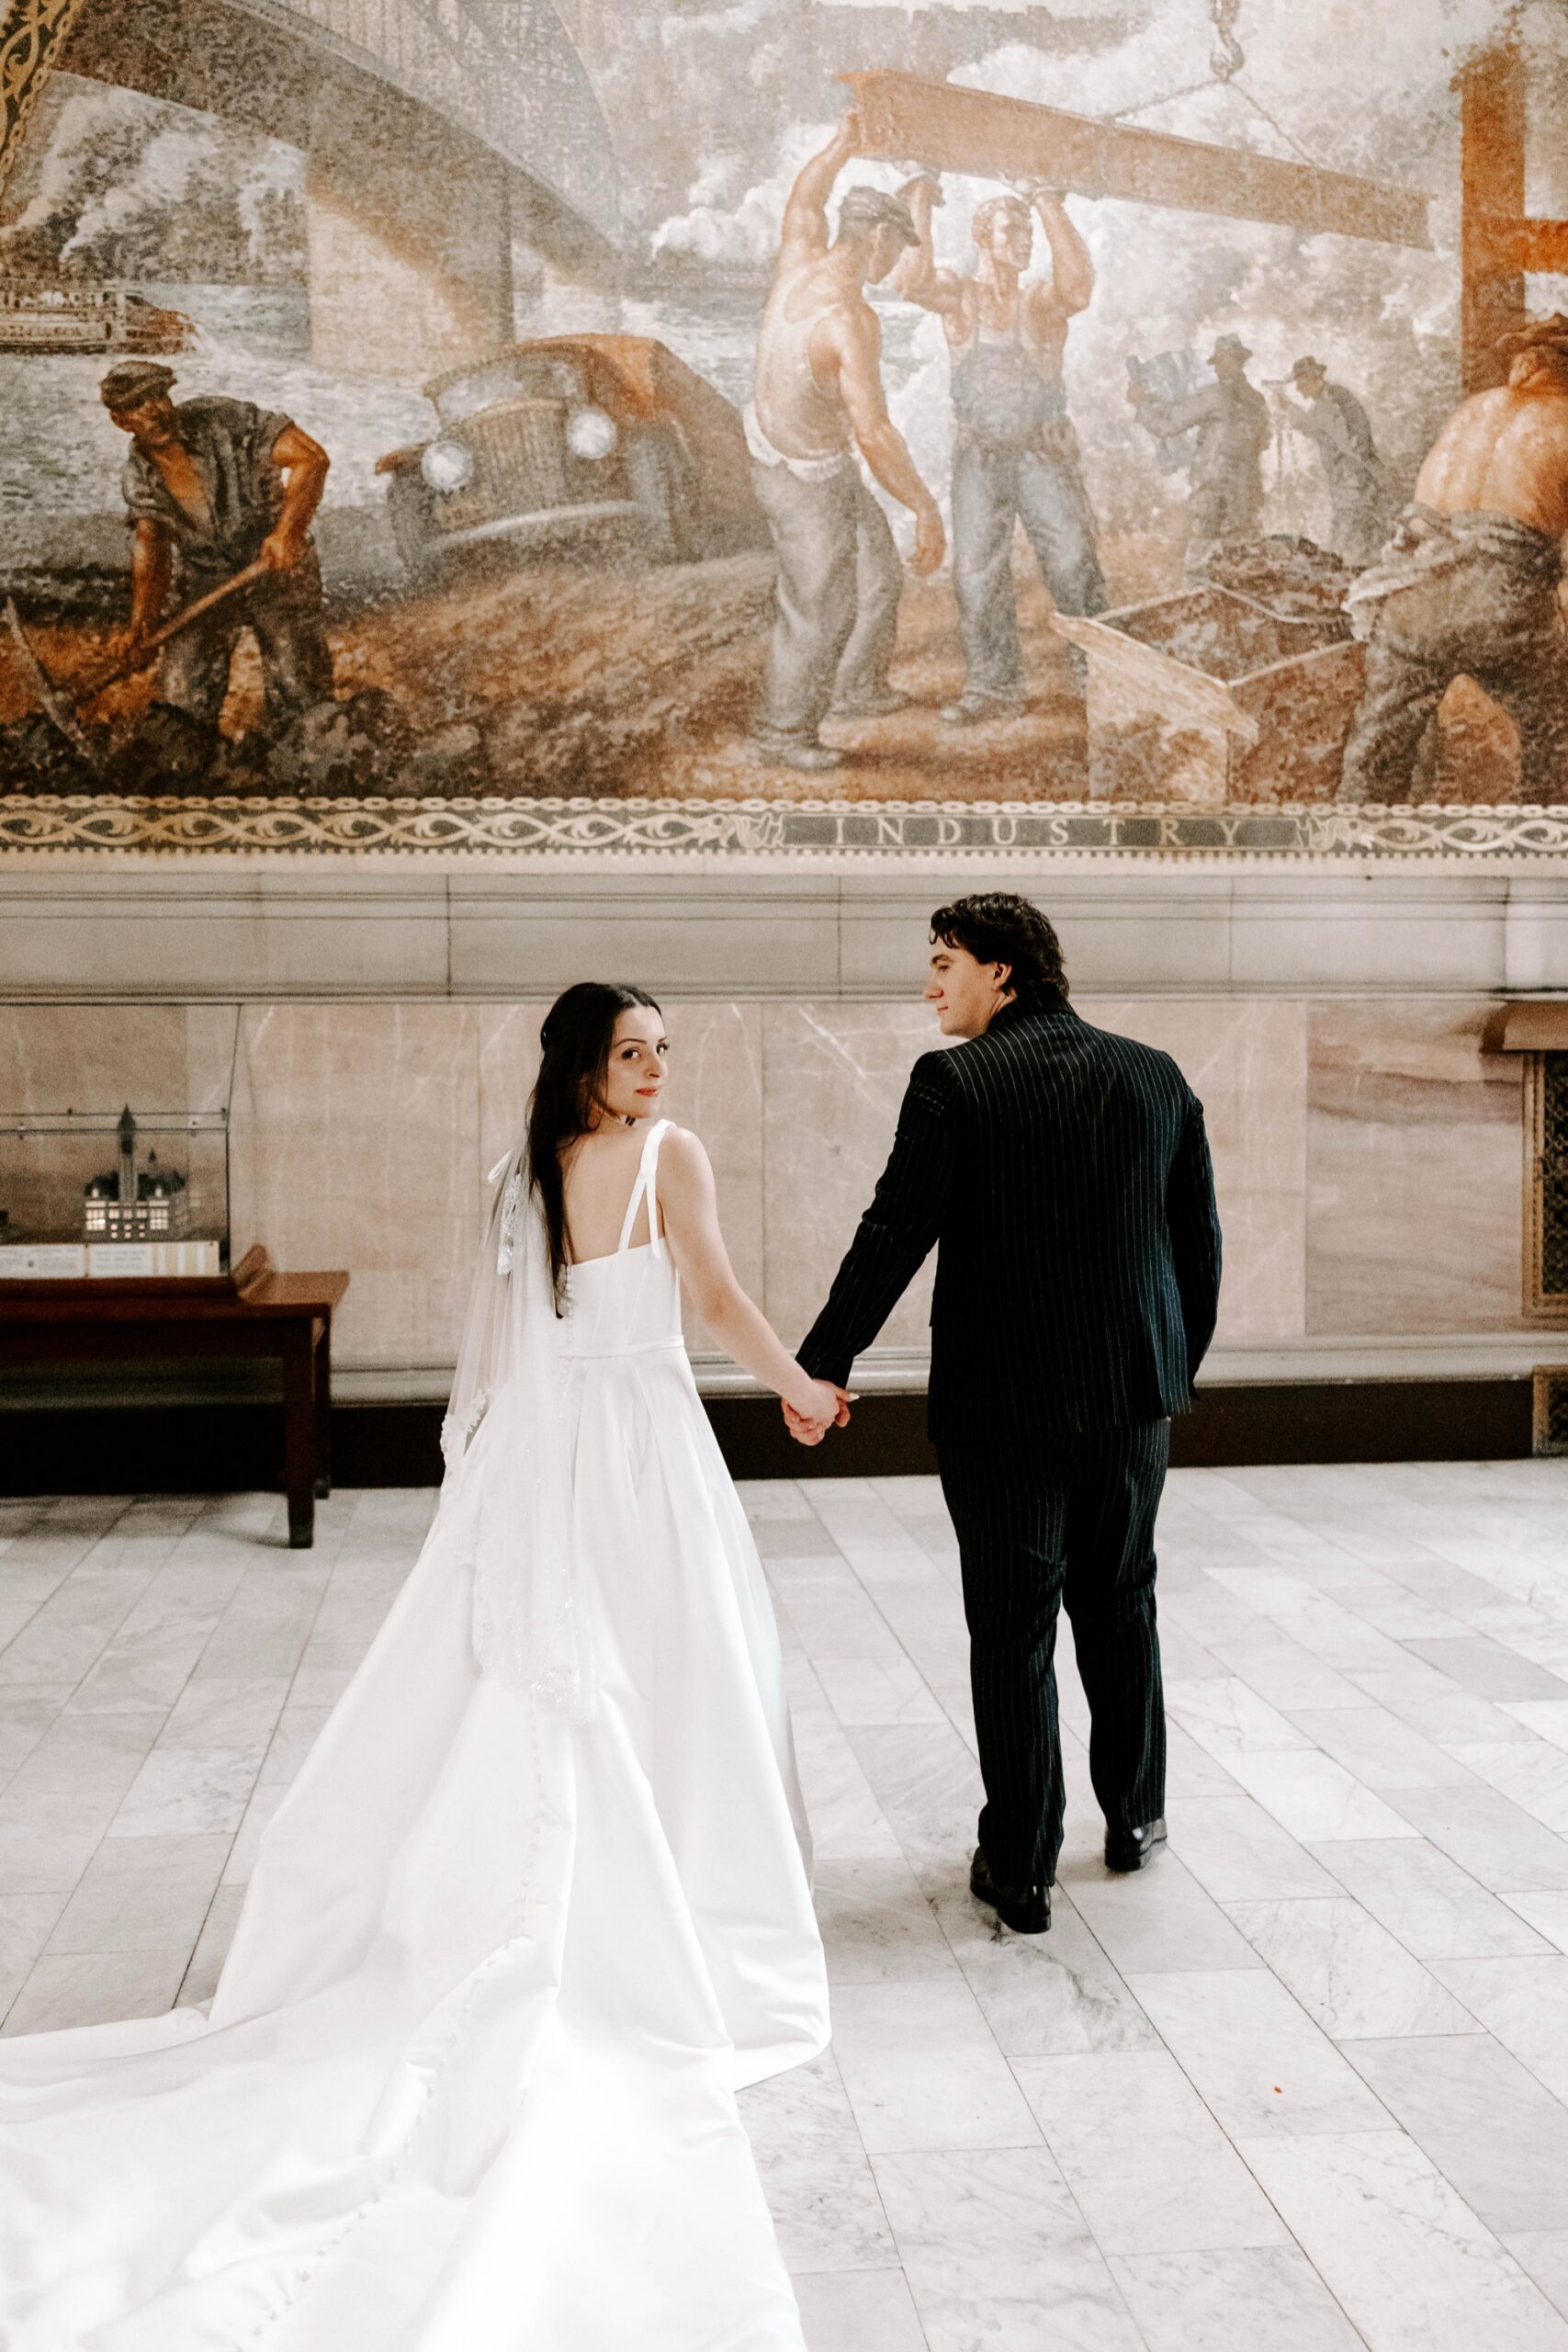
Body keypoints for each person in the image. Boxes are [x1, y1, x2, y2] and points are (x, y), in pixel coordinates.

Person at [0, 983, 839, 2349]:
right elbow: (716, 1295)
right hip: (633, 1449)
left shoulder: (526, 1169)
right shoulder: (660, 1155)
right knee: (665, 1670)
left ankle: (615, 1893)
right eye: (632, 1052)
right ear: (586, 1062)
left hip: (554, 1445)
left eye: (662, 1053)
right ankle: (660, 1922)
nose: (654, 1072)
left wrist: (482, 1476)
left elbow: (503, 1354)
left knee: (617, 1675)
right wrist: (798, 1385)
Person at [789, 893, 1222, 1936]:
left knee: (1014, 1627)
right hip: (1131, 1406)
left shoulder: (956, 1081)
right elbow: (1196, 1246)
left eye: (945, 962)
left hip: (1003, 1409)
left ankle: (1021, 1865)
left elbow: (895, 1229)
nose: (930, 983)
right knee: (1123, 1601)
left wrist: (822, 1361)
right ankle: (1138, 1816)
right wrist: (1165, 1371)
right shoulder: (1154, 1074)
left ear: (1006, 974)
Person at [748, 111, 945, 773]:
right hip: (804, 478)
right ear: (880, 240)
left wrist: (839, 145)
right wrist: (922, 506)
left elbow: (805, 197)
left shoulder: (800, 257)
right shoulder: (848, 318)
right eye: (900, 246)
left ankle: (858, 688)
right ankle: (782, 734)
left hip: (798, 457)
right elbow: (875, 432)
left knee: (879, 574)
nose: (900, 261)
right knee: (817, 608)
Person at [895, 176, 1108, 724]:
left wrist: (1046, 200)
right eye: (1012, 230)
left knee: (1073, 559)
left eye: (1027, 233)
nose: (1025, 241)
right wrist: (919, 189)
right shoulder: (960, 296)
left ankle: (1100, 676)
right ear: (983, 239)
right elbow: (909, 280)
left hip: (1041, 451)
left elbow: (1079, 289)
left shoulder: (1039, 300)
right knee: (975, 572)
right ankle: (994, 686)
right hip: (981, 457)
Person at [1339, 312, 1568, 804]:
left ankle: (1352, 844)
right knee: (1555, 732)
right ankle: (1548, 853)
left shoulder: (1474, 410)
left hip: (1416, 591)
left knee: (1378, 742)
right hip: (1500, 601)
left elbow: (1431, 508)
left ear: (1531, 361)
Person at [100, 358, 333, 730]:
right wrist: (142, 624)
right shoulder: (139, 476)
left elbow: (311, 458)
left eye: (158, 397)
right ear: (121, 420)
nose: (154, 411)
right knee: (182, 702)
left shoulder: (224, 419)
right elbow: (153, 549)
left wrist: (287, 533)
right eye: (137, 405)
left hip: (276, 570)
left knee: (300, 693)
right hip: (206, 581)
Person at [1130, 334, 1270, 573]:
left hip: (1215, 490)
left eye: (1220, 362)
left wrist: (1141, 403)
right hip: (1247, 491)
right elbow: (1263, 442)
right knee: (1244, 559)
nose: (1217, 369)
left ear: (1230, 361)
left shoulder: (1214, 394)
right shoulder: (1257, 400)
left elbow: (1168, 425)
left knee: (1201, 559)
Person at [1277, 356, 1393, 568]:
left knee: (1348, 543)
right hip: (1352, 481)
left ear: (1312, 378)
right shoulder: (1328, 400)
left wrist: (1291, 410)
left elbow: (1346, 440)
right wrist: (1290, 409)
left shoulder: (1330, 402)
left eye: (1300, 383)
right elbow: (1316, 428)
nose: (1299, 390)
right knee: (1359, 540)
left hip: (1353, 482)